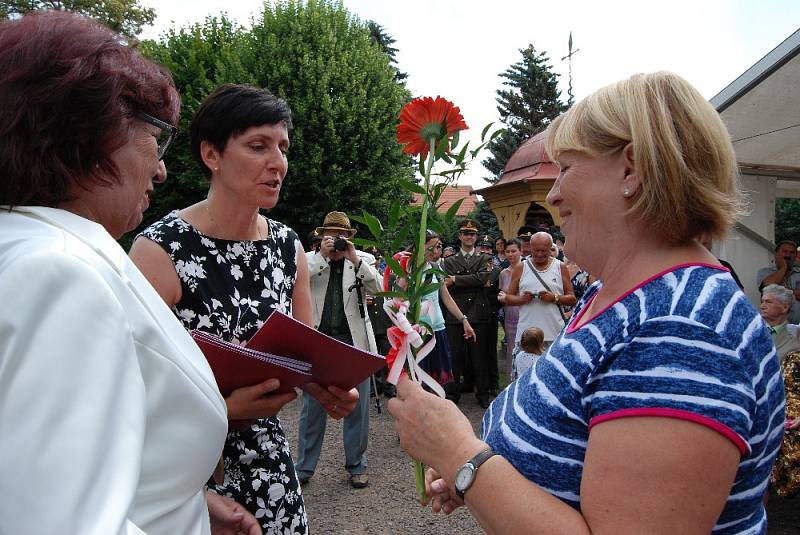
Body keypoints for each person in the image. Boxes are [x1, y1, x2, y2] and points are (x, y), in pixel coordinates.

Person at [388, 71, 785, 533]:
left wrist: (462, 457)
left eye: (569, 167)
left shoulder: (681, 329)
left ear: (632, 168)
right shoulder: (613, 295)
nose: (554, 194)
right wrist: (481, 475)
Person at [0, 12, 260, 534]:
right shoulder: (59, 275)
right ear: (90, 132)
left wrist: (175, 503)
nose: (161, 169)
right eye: (156, 138)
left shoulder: (25, 245)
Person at [130, 84, 358, 533]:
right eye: (258, 146)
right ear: (212, 155)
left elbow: (299, 354)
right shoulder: (161, 250)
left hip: (269, 464)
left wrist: (327, 388)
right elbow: (129, 392)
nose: (278, 163)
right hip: (188, 474)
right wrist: (226, 408)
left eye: (283, 148)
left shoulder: (287, 245)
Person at [294, 211, 382, 489]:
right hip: (320, 342)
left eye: (341, 235)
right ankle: (304, 468)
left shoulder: (361, 260)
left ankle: (357, 465)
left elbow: (379, 289)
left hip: (354, 343)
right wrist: (323, 257)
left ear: (350, 238)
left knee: (358, 407)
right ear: (320, 237)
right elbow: (300, 283)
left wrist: (355, 259)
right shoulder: (308, 261)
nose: (336, 240)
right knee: (313, 408)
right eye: (330, 235)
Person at [443, 219, 494, 408]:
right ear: (459, 236)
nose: (469, 237)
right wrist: (471, 280)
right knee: (454, 357)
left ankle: (483, 393)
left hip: (478, 313)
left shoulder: (484, 258)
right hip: (455, 313)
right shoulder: (448, 261)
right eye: (465, 233)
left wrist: (456, 279)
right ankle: (453, 392)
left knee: (479, 356)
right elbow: (446, 284)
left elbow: (483, 278)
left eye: (472, 234)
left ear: (477, 237)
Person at [498, 232, 576, 353]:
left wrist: (554, 298)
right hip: (527, 334)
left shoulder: (560, 267)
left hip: (553, 332)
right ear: (530, 248)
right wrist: (522, 300)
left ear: (551, 248)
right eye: (536, 250)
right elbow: (508, 298)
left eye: (544, 250)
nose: (539, 254)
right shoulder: (521, 267)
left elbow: (572, 299)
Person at [758, 240, 800, 323]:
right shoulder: (765, 272)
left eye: (792, 252)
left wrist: (779, 291)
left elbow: (774, 293)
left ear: (795, 256)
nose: (788, 255)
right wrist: (783, 267)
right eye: (784, 251)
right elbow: (768, 290)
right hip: (775, 326)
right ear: (776, 254)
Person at [498, 238, 523, 373]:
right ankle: (512, 379)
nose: (510, 254)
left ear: (521, 251)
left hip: (526, 313)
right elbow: (502, 293)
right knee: (512, 346)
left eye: (514, 251)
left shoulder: (528, 270)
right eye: (507, 251)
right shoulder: (503, 273)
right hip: (510, 315)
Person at [759, 284, 800, 361]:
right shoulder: (750, 331)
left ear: (784, 307)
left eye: (768, 302)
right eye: (762, 302)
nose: (762, 306)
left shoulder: (797, 335)